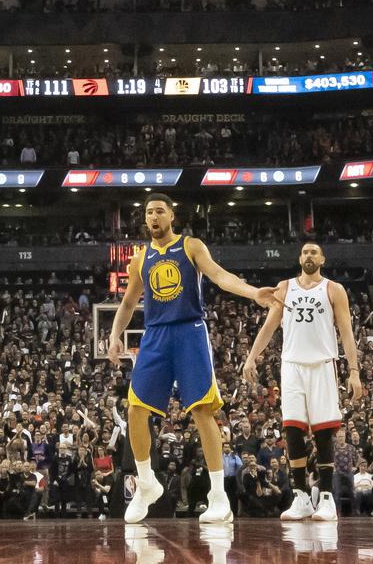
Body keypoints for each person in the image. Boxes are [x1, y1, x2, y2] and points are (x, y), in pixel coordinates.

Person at [106, 193, 276, 525]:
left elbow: (220, 276)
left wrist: (253, 292)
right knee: (135, 410)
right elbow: (127, 303)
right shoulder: (140, 259)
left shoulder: (191, 246)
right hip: (155, 334)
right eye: (149, 212)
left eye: (159, 211)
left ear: (172, 216)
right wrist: (114, 335)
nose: (154, 217)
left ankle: (218, 496)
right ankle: (147, 484)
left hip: (189, 331)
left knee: (201, 410)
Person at [241, 241, 363, 522]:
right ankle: (301, 497)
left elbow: (346, 331)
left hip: (323, 364)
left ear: (322, 259)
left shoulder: (334, 289)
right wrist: (250, 358)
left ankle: (327, 498)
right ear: (299, 258)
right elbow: (269, 326)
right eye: (305, 252)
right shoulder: (284, 288)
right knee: (293, 430)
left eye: (314, 252)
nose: (309, 255)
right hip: (292, 365)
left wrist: (354, 370)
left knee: (323, 433)